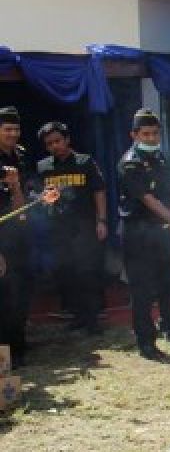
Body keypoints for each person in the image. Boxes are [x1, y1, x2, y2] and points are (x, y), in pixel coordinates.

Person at [118, 109, 170, 361]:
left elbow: (169, 187)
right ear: (133, 135)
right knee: (142, 289)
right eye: (145, 134)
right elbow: (148, 199)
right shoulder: (130, 163)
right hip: (138, 232)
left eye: (155, 133)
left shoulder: (160, 157)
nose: (151, 138)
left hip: (161, 230)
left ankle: (169, 324)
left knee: (167, 281)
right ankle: (145, 340)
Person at [36, 121, 107, 334]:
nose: (54, 146)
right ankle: (78, 315)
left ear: (67, 140)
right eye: (49, 144)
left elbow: (99, 191)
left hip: (84, 225)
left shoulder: (85, 162)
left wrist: (101, 220)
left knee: (88, 272)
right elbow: (39, 195)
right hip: (58, 227)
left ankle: (93, 320)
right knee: (67, 272)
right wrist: (43, 198)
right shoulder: (43, 167)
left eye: (58, 141)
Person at [0, 106, 34, 367]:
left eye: (16, 129)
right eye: (7, 129)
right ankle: (5, 353)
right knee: (4, 295)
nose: (13, 134)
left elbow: (22, 203)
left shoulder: (21, 156)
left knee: (21, 291)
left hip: (19, 234)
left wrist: (17, 188)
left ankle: (19, 345)